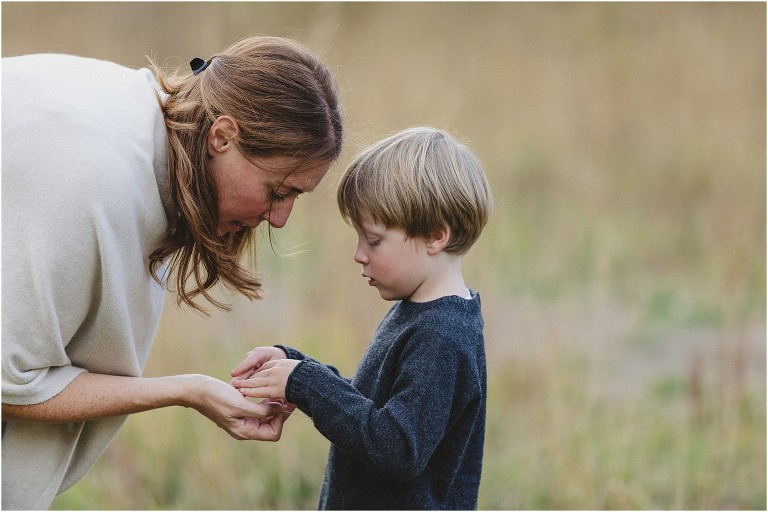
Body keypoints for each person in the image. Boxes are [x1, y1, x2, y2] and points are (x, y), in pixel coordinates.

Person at [2, 35, 342, 509]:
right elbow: (9, 382)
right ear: (223, 136)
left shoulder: (139, 117)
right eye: (277, 191)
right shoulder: (96, 183)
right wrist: (187, 390)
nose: (280, 219)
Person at [232, 127, 493, 509]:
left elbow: (397, 447)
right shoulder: (422, 313)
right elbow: (375, 407)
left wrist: (305, 382)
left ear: (435, 236)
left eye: (373, 240)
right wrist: (294, 366)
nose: (359, 254)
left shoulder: (441, 336)